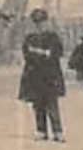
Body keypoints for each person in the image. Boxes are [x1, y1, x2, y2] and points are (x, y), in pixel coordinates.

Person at [18, 9, 66, 142]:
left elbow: (56, 53)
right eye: (37, 23)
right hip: (35, 75)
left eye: (42, 22)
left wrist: (40, 53)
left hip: (50, 75)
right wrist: (43, 53)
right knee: (37, 104)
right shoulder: (30, 38)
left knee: (52, 103)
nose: (40, 25)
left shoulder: (53, 37)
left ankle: (57, 131)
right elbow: (27, 54)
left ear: (47, 22)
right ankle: (41, 130)